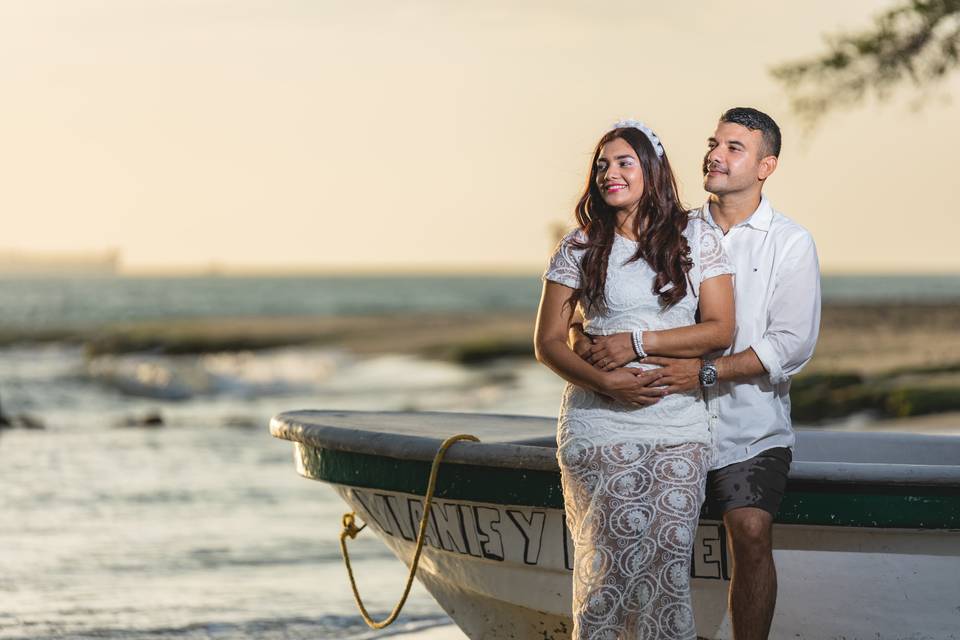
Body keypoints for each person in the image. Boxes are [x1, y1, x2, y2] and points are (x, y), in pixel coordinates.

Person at [576, 107, 821, 640]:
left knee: (751, 530)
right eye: (714, 142)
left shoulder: (790, 242)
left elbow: (790, 344)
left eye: (734, 147)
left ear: (766, 166)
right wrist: (581, 339)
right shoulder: (670, 228)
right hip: (660, 416)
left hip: (748, 426)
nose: (715, 154)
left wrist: (705, 374)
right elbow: (605, 297)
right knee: (648, 548)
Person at [534, 119, 736, 639]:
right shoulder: (579, 246)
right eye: (602, 165)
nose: (610, 173)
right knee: (607, 575)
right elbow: (550, 343)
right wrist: (608, 384)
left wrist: (638, 343)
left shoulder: (697, 239)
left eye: (624, 162)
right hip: (599, 429)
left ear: (651, 169)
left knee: (667, 566)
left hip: (678, 430)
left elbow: (720, 328)